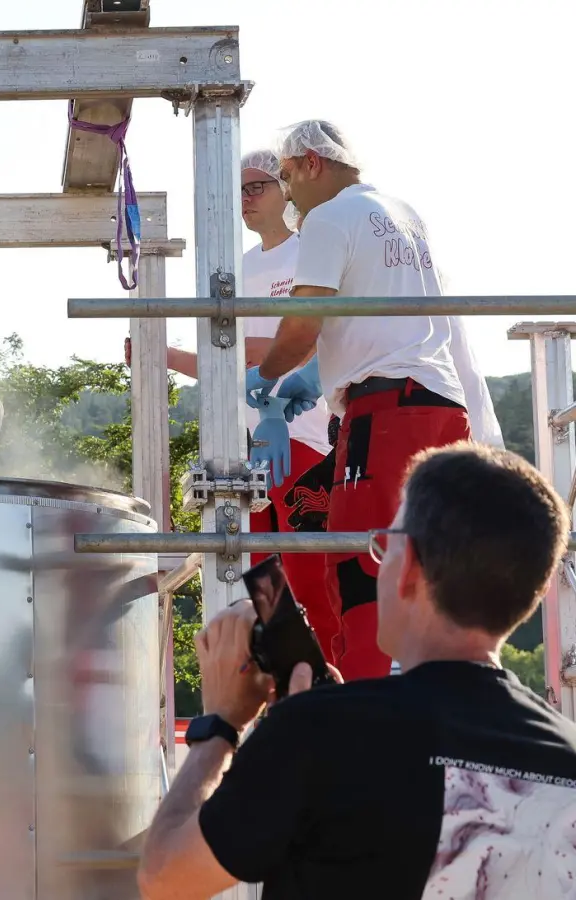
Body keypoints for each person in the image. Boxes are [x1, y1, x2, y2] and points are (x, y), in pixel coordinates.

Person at [137, 442, 574, 899]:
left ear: (406, 567)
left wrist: (222, 724)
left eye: (383, 545)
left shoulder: (321, 732)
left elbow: (165, 877)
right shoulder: (568, 757)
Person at [247, 120, 473, 681]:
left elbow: (301, 327)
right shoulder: (401, 214)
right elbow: (381, 320)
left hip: (385, 413)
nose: (289, 193)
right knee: (431, 567)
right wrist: (317, 375)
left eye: (287, 177)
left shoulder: (326, 219)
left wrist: (266, 376)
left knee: (357, 561)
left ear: (311, 164)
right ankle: (437, 695)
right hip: (440, 403)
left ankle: (363, 710)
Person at [155, 148, 340, 658]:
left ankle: (326, 700)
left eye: (257, 186)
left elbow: (290, 343)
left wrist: (223, 354)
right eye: (238, 189)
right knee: (262, 591)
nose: (245, 199)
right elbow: (225, 366)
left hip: (301, 438)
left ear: (287, 188)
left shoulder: (310, 253)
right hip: (248, 447)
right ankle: (284, 704)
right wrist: (166, 356)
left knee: (310, 583)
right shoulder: (232, 269)